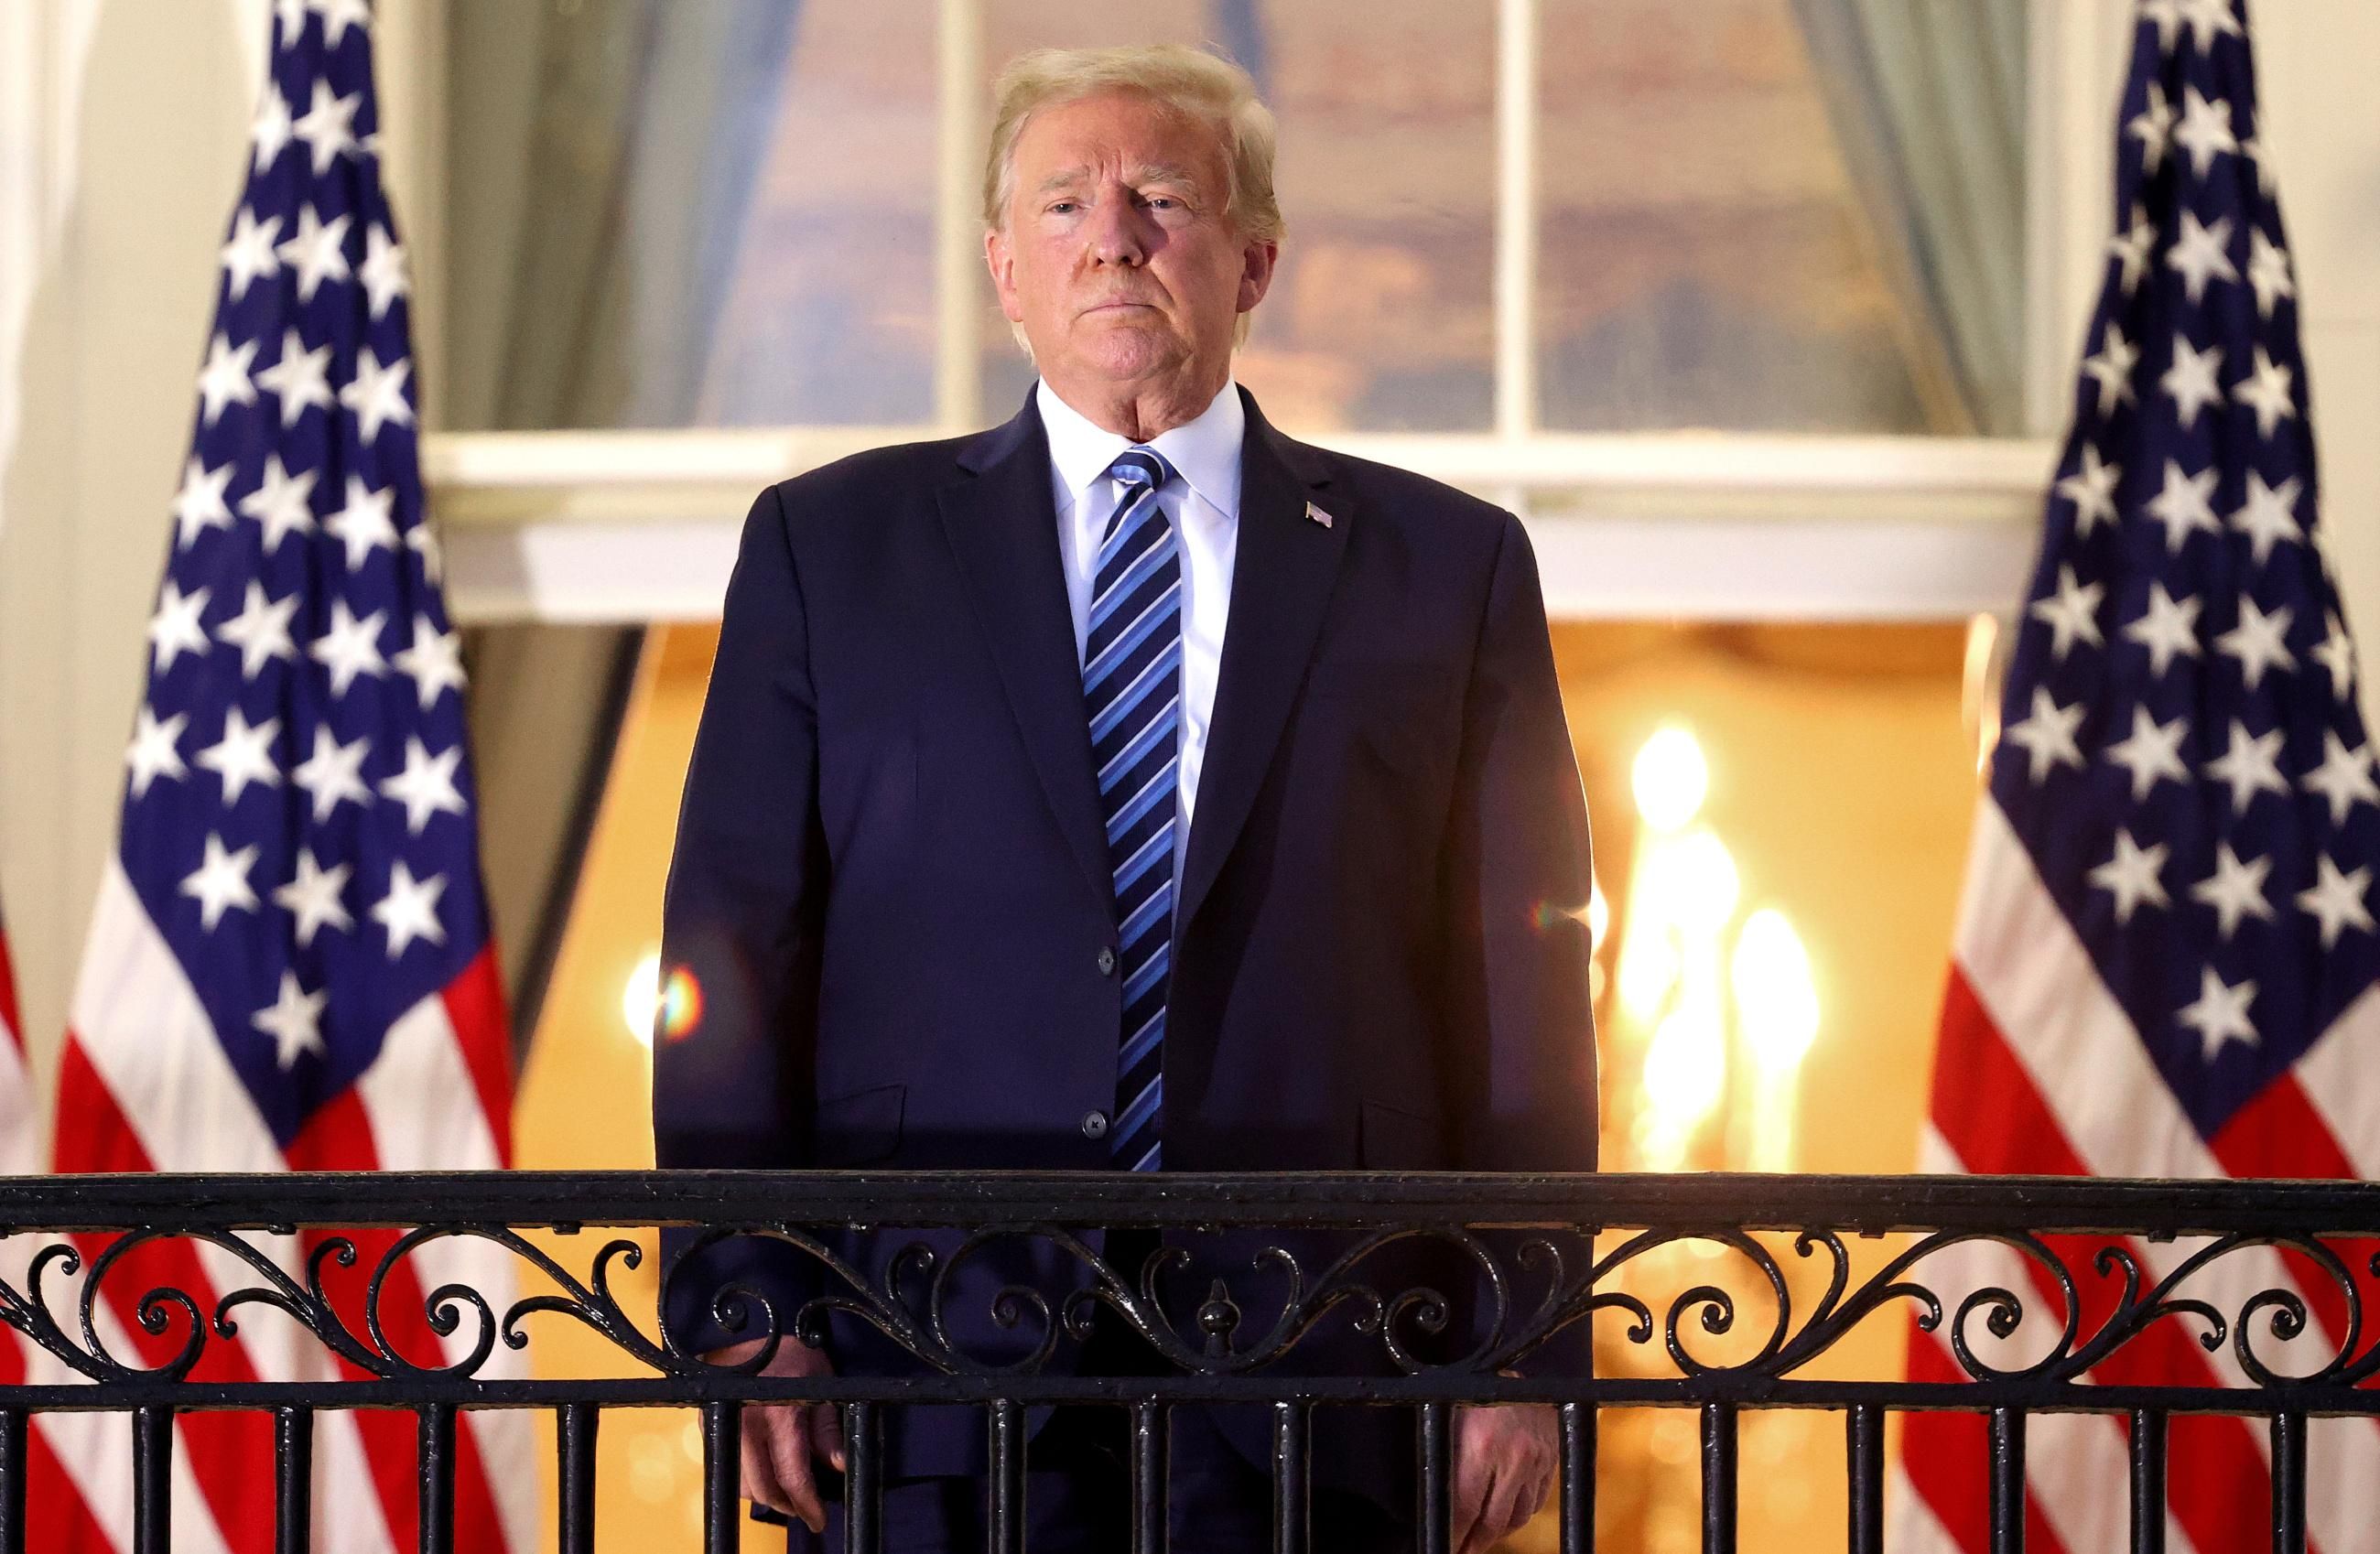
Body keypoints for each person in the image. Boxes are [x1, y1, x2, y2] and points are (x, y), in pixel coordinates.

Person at [653, 42, 1596, 1554]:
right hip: (928, 1363)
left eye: (1163, 196)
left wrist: (1527, 1342)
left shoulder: (1447, 569)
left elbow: (1526, 986)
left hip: (1322, 1369)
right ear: (1002, 268)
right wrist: (744, 1310)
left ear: (1255, 261)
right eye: (1064, 203)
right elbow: (731, 958)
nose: (1113, 234)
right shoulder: (832, 551)